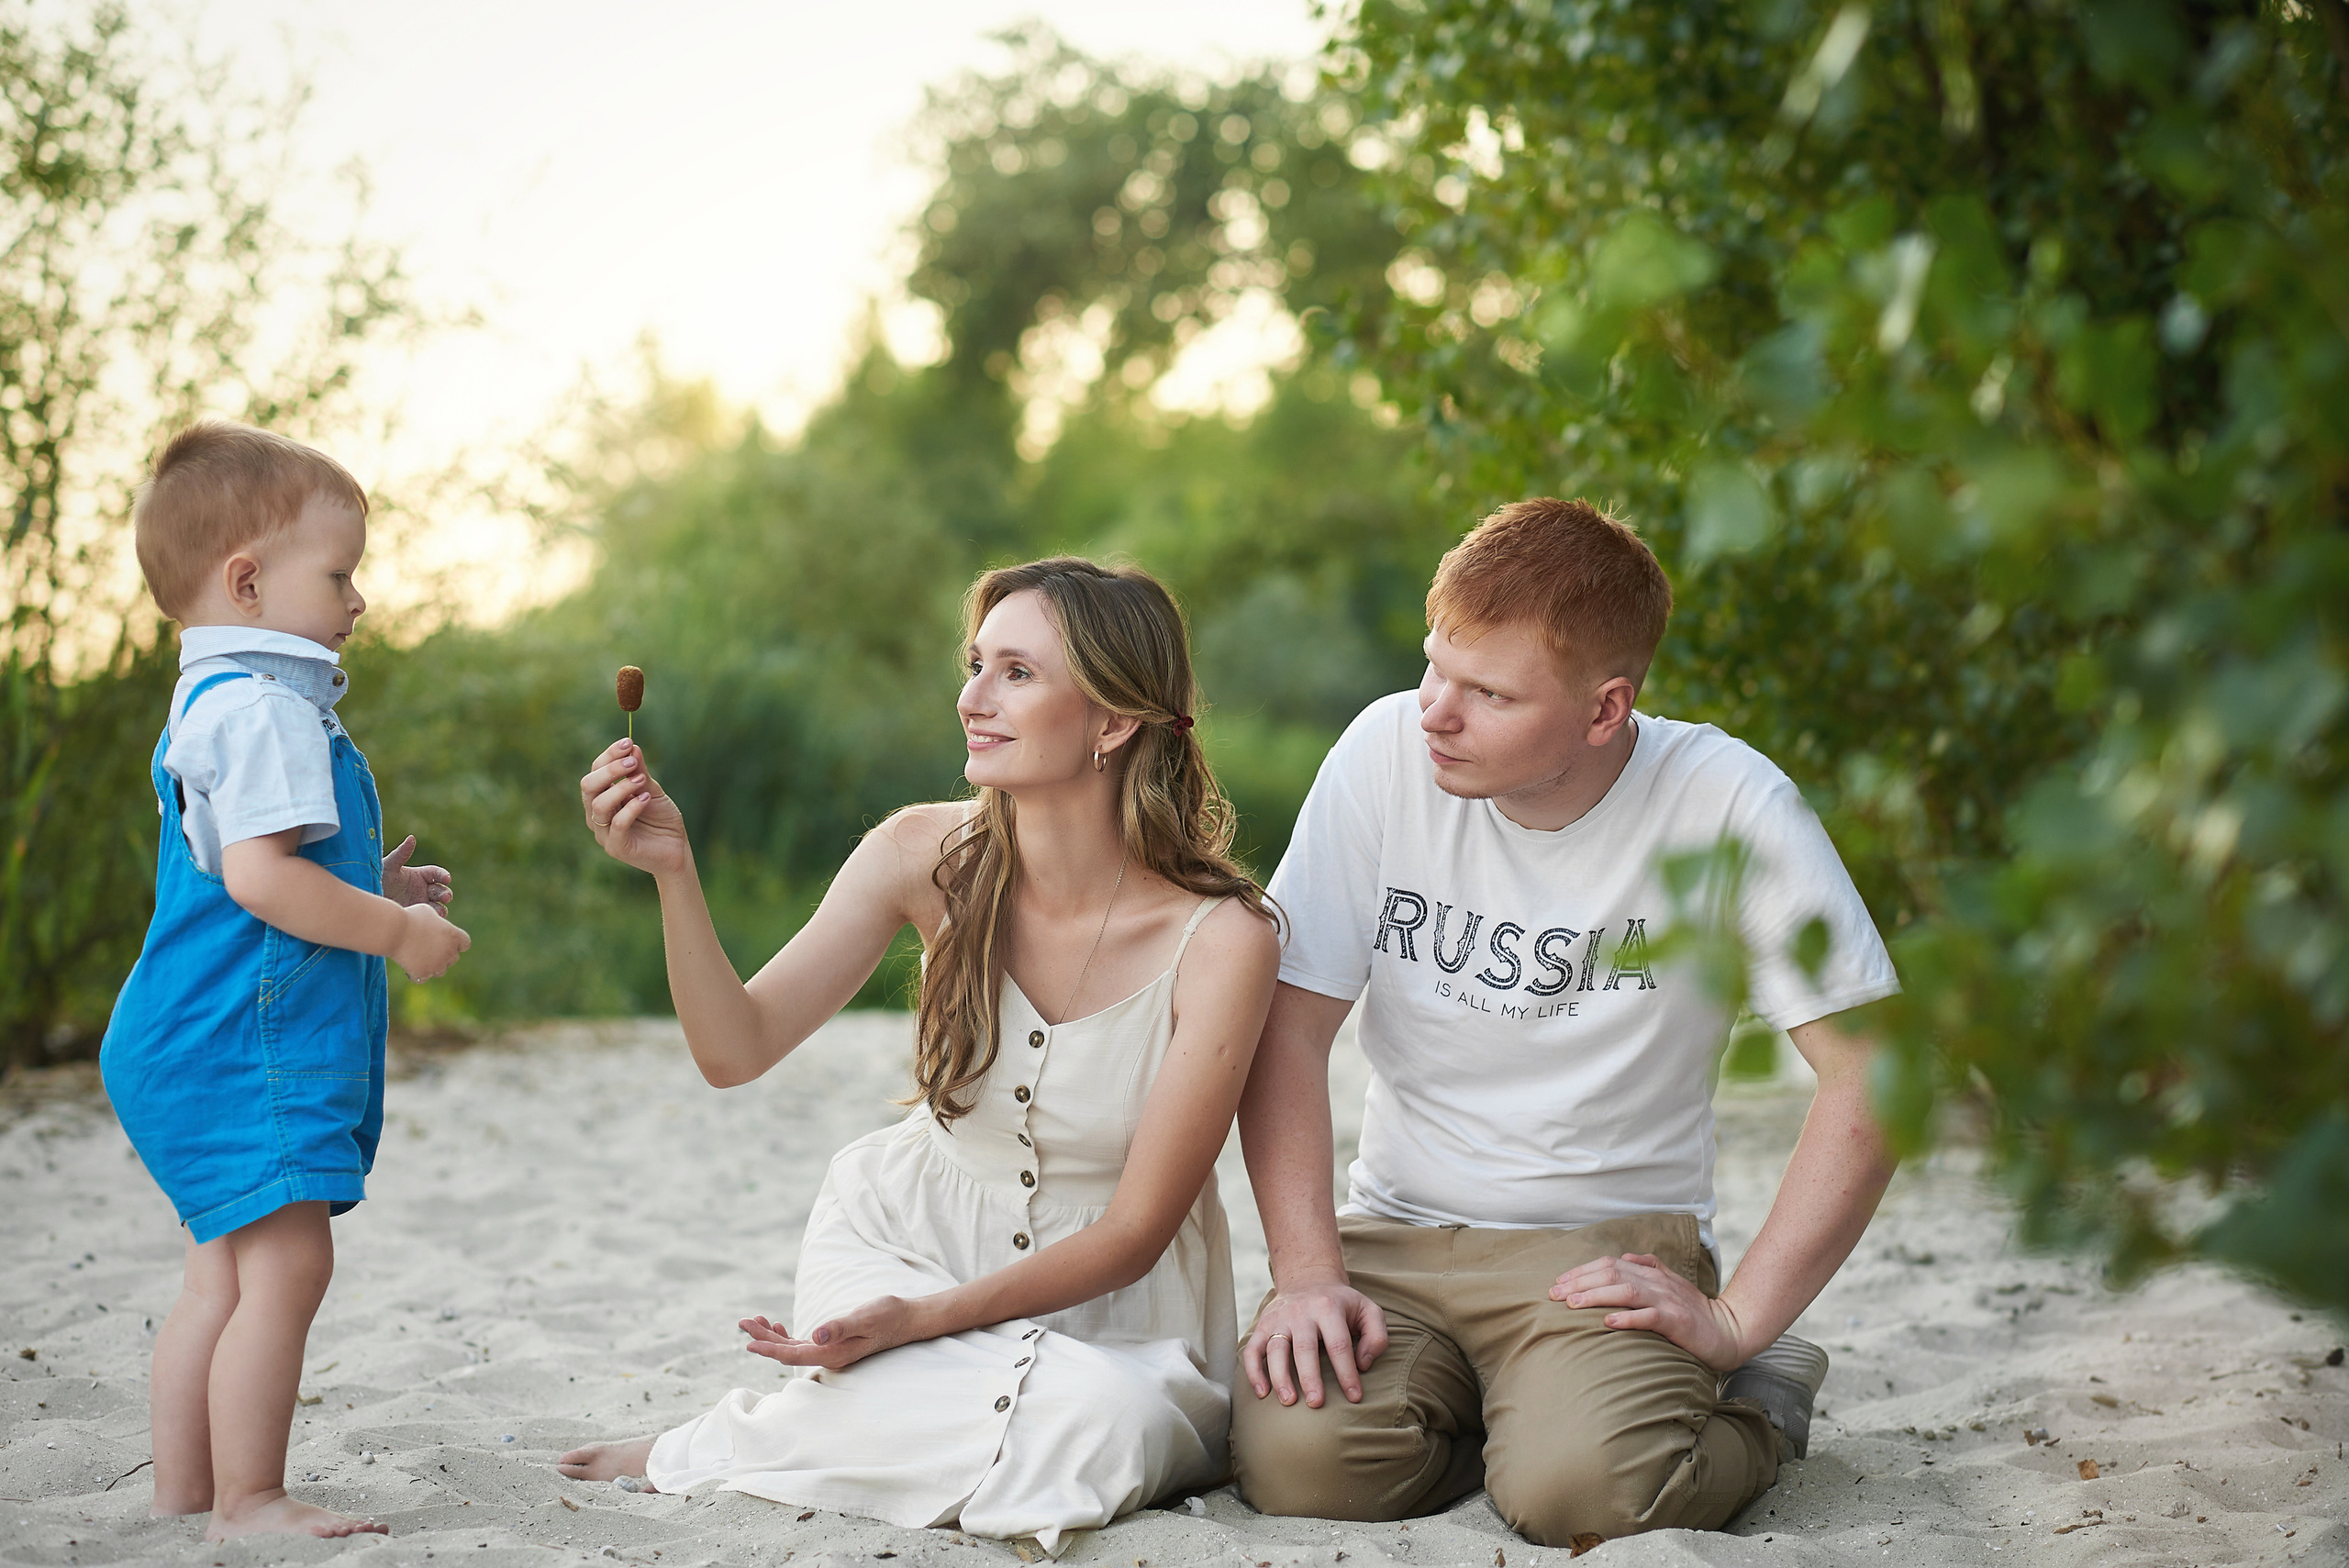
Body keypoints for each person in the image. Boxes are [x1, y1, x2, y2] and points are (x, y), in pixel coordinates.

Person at [556, 558, 1280, 1551]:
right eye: (976, 665)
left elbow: (1135, 1231)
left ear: (1113, 721)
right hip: (901, 1236)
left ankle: (756, 1438)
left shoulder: (1225, 937)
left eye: (1016, 673)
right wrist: (673, 874)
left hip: (1114, 1311)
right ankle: (850, 1416)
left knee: (1101, 1422)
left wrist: (922, 1322)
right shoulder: (919, 853)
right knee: (1016, 1414)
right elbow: (735, 1048)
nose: (972, 698)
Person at [1229, 498, 1901, 1546]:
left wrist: (1738, 1319)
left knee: (1589, 1498)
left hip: (1605, 1252)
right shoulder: (1382, 753)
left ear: (1604, 710)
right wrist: (1308, 1273)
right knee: (1299, 1465)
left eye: (1489, 693)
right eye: (1434, 667)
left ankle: (1756, 1401)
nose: (1435, 713)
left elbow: (1878, 1073)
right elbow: (1287, 1027)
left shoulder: (1727, 803)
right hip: (1394, 1235)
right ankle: (1519, 1415)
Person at [100, 423, 472, 1541]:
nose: (359, 598)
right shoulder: (265, 709)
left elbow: (249, 867)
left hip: (182, 1034)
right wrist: (395, 931)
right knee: (290, 1259)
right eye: (341, 573)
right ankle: (249, 1498)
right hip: (236, 1043)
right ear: (248, 582)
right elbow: (264, 880)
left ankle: (186, 1494)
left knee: (218, 1277)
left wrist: (370, 880)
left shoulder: (219, 696)